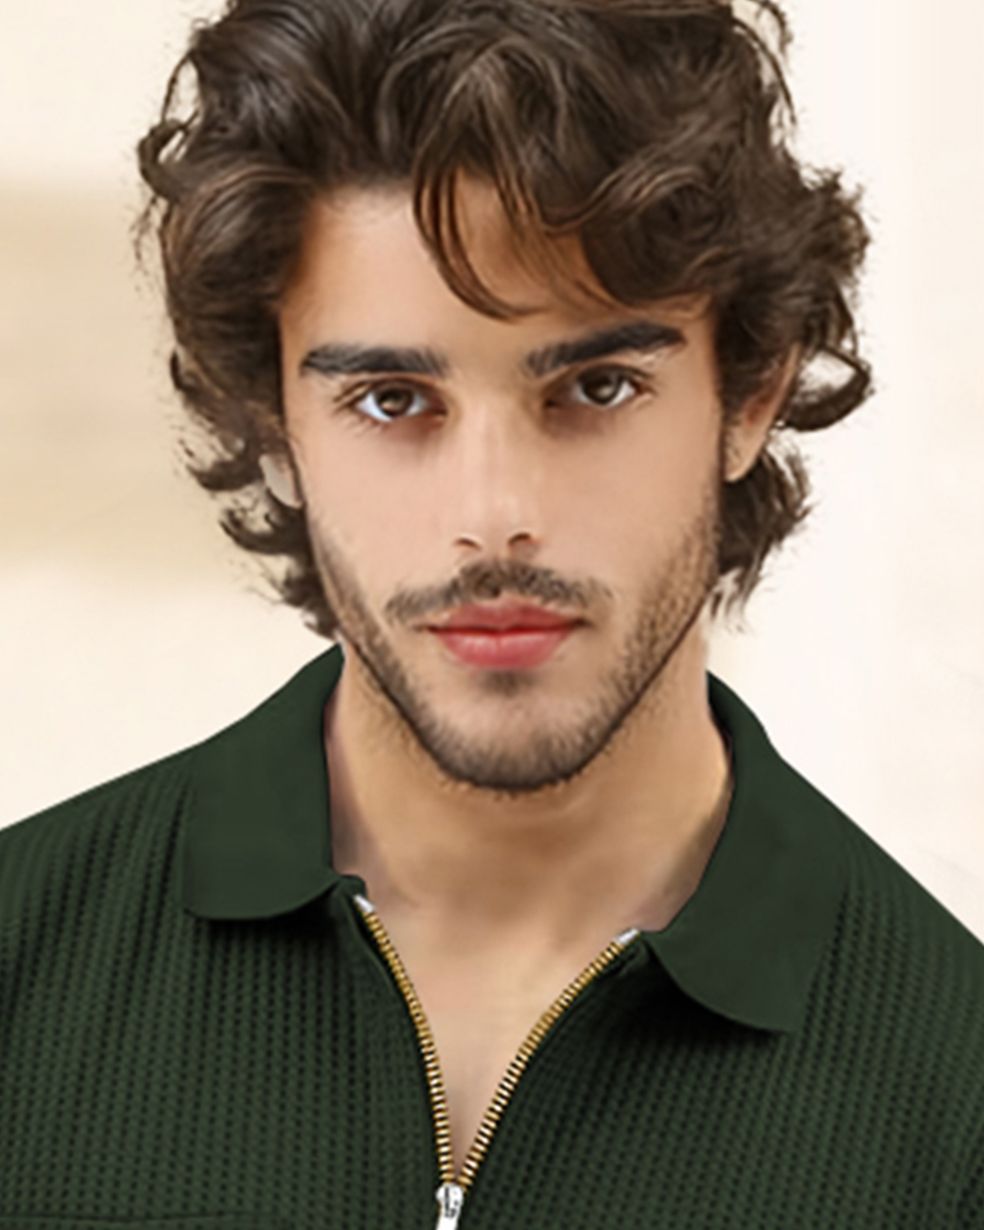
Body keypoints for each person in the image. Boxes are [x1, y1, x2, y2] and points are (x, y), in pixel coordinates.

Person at [3, 0, 982, 1226]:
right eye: (392, 400)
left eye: (596, 387)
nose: (495, 518)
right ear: (274, 428)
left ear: (749, 393)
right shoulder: (21, 972)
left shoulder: (955, 1109)